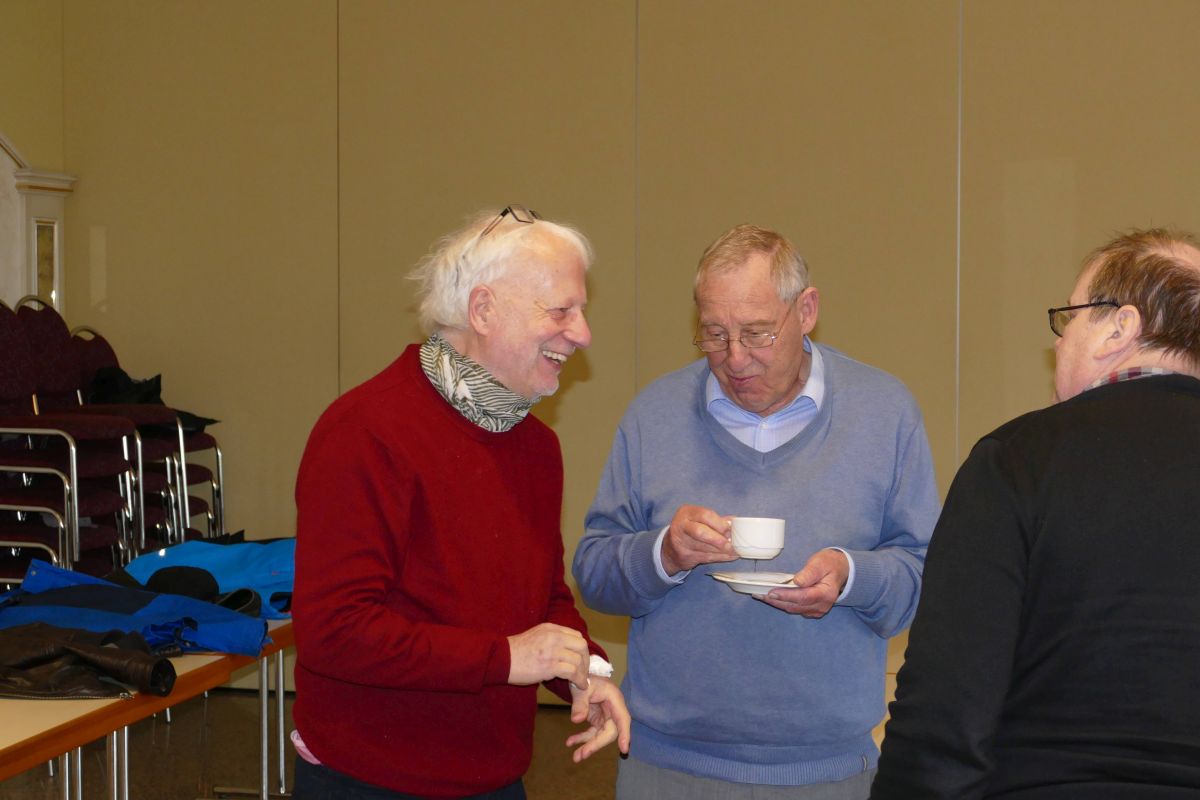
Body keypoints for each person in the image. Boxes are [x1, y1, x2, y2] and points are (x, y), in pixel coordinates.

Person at [572, 223, 940, 798]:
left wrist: (851, 577)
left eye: (757, 333)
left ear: (807, 311)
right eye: (714, 335)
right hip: (665, 766)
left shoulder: (884, 413)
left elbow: (923, 577)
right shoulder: (654, 414)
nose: (735, 358)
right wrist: (663, 555)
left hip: (828, 772)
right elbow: (593, 573)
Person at [291, 206, 631, 799]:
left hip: (495, 777)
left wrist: (587, 672)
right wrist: (506, 658)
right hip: (371, 779)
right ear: (483, 310)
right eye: (561, 311)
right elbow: (336, 631)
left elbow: (543, 599)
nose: (582, 334)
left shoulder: (535, 445)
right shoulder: (365, 431)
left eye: (581, 311)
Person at [870, 228, 1200, 799]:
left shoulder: (1017, 459)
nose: (1060, 339)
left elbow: (946, 709)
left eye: (1070, 317)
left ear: (1119, 328)